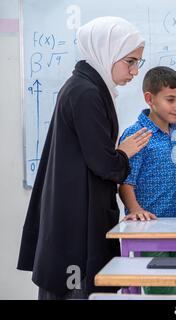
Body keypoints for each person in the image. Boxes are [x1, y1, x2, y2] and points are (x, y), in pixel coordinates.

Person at [17, 17, 151, 300]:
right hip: (77, 224)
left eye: (138, 62)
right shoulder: (87, 92)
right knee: (78, 291)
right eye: (130, 61)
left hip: (76, 216)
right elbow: (104, 164)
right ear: (108, 51)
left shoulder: (88, 87)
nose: (135, 71)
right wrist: (124, 152)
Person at [119, 66, 176, 295]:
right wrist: (135, 209)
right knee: (161, 290)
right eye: (170, 99)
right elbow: (125, 182)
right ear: (150, 99)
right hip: (150, 229)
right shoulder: (137, 135)